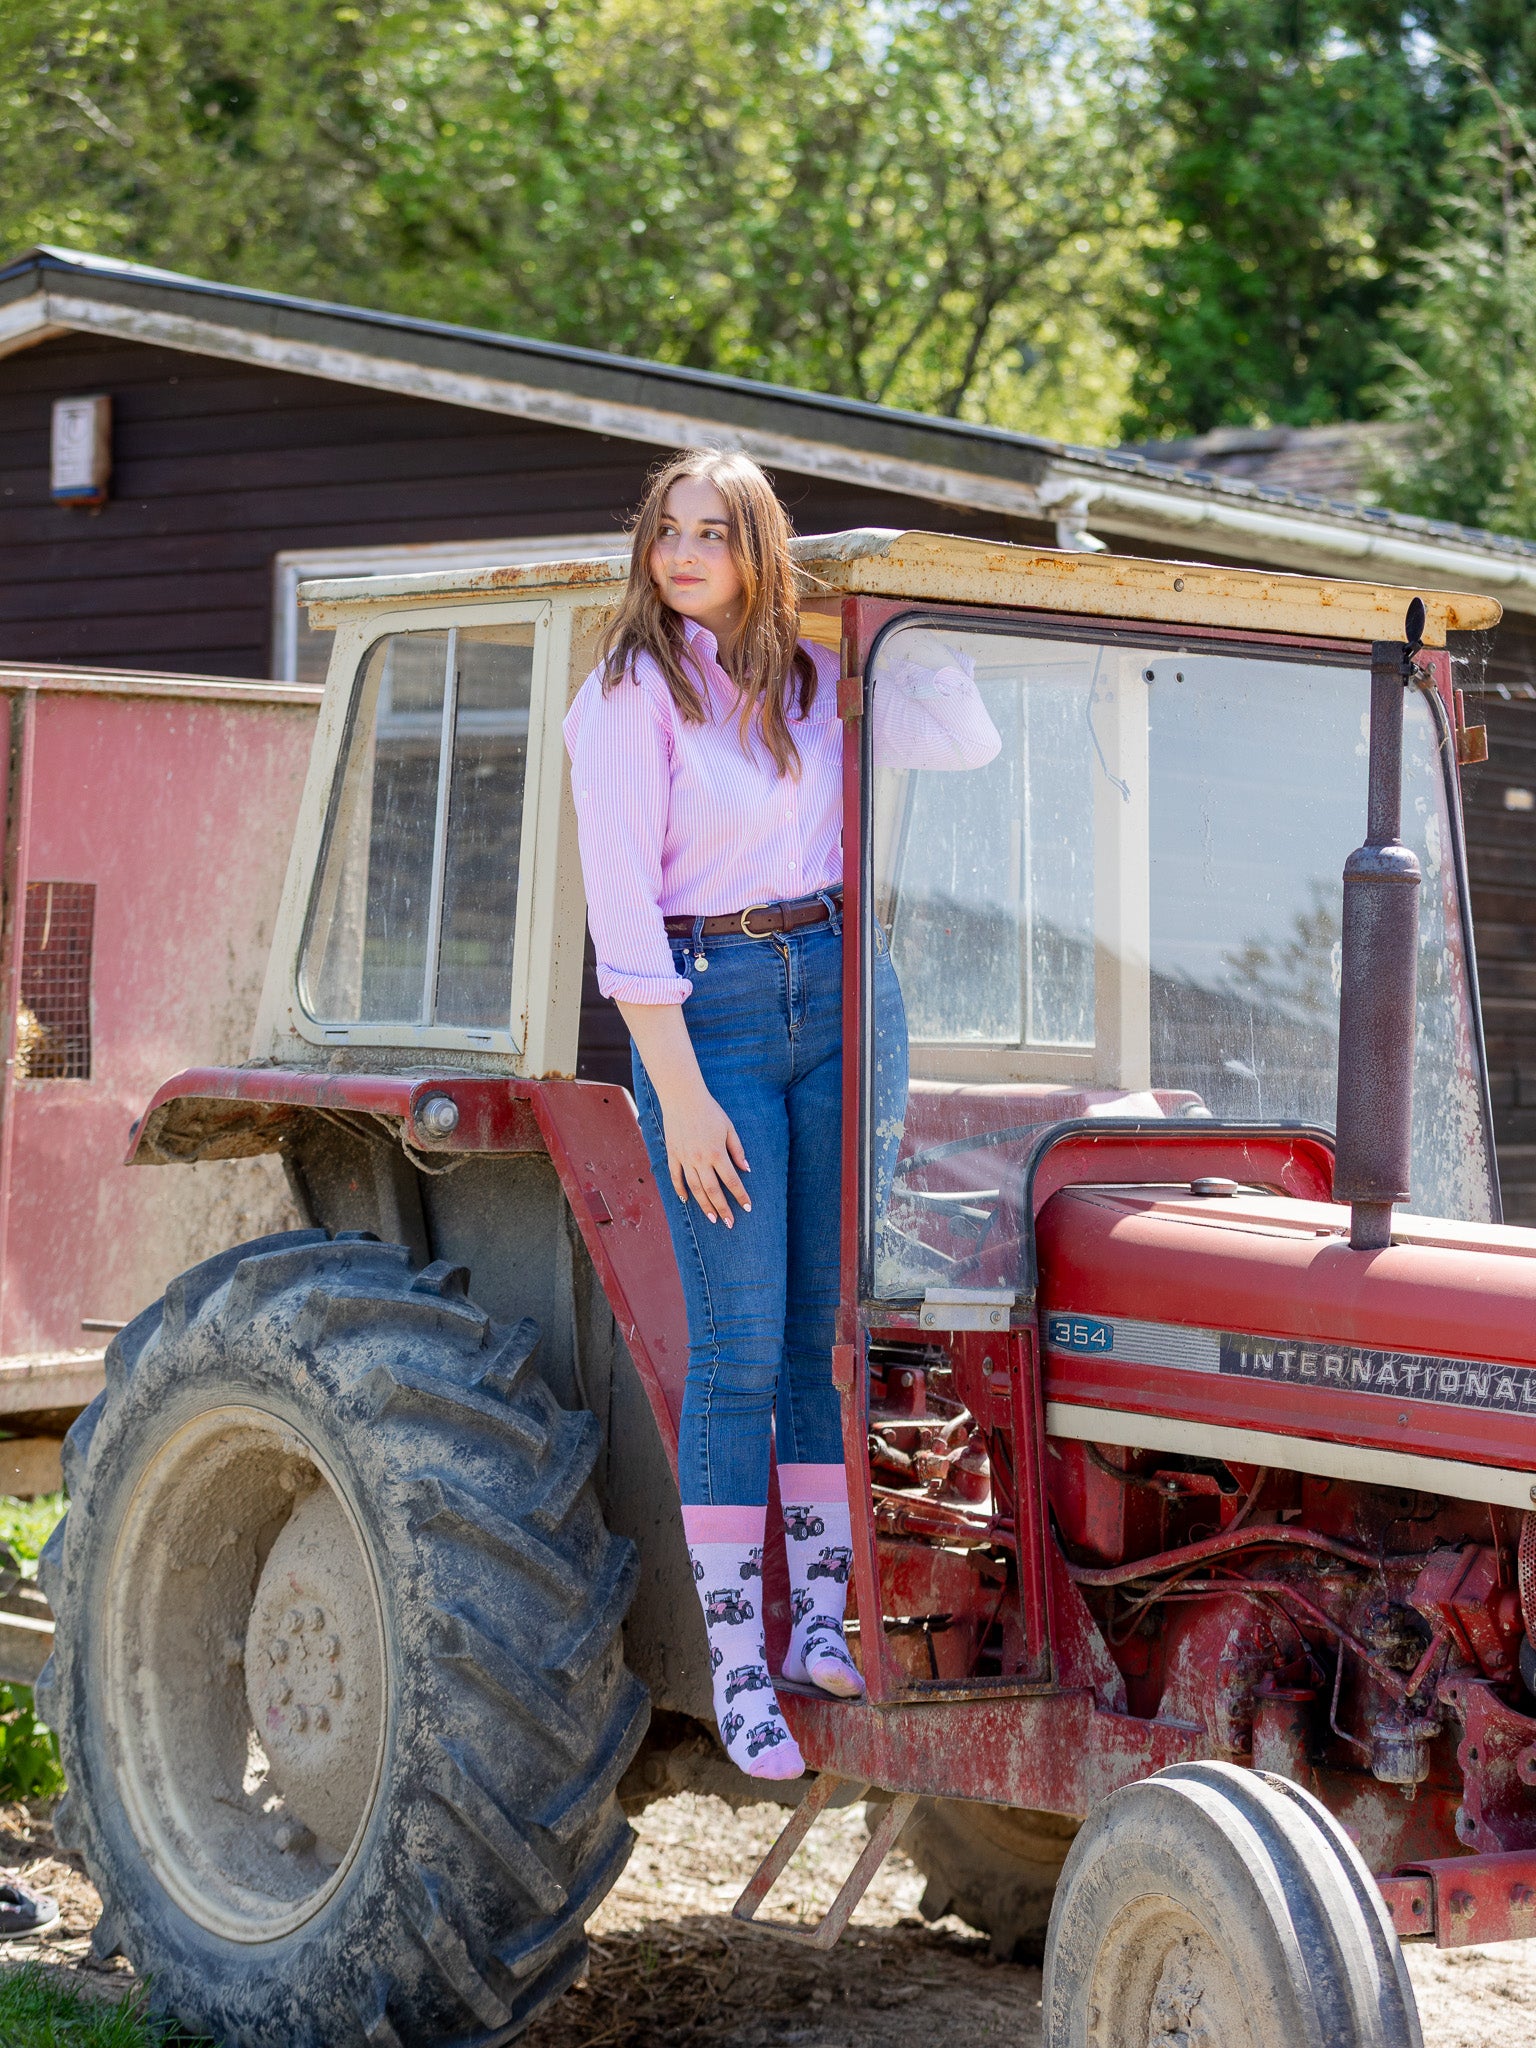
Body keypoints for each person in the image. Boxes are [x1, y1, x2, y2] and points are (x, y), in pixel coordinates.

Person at [564, 450, 999, 1778]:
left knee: (824, 1338)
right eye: (669, 531)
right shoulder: (628, 694)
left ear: (760, 551)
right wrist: (680, 1095)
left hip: (849, 993)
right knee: (741, 1347)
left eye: (715, 533)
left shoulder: (808, 677)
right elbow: (624, 913)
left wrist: (885, 608)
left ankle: (822, 1622)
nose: (684, 554)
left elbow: (964, 740)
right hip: (713, 1013)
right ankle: (739, 1666)